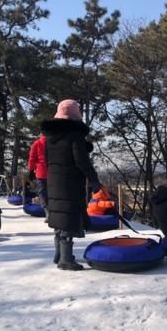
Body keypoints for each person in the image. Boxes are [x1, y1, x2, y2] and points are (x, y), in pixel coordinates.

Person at [41, 99, 101, 271]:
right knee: (68, 218)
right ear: (76, 115)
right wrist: (94, 179)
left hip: (53, 181)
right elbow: (81, 161)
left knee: (59, 216)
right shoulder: (76, 136)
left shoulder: (49, 137)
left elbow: (47, 160)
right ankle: (66, 260)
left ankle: (59, 254)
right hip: (70, 182)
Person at [28, 134, 48, 220]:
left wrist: (31, 170)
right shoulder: (55, 142)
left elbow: (32, 158)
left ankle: (47, 211)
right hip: (54, 172)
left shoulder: (37, 144)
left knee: (42, 193)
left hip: (41, 172)